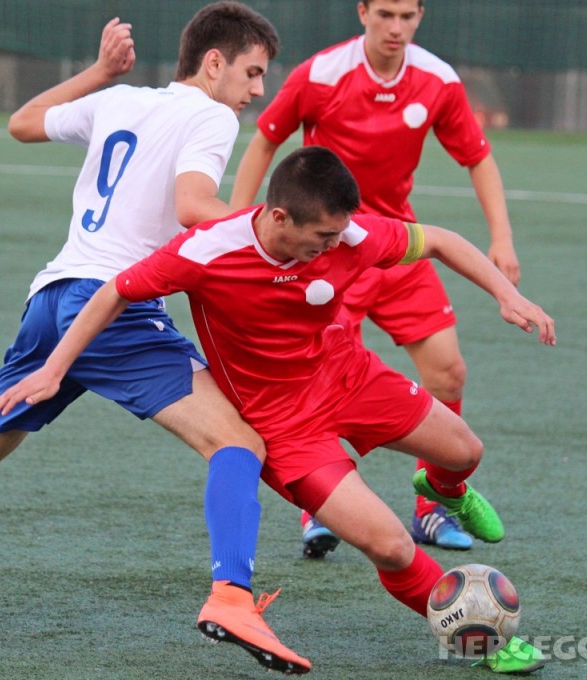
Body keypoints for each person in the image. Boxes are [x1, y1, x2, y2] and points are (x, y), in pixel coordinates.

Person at [0, 4, 311, 674]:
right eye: (252, 73)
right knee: (238, 443)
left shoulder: (119, 99)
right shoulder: (211, 116)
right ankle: (231, 598)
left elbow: (22, 123)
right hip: (115, 308)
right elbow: (195, 207)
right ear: (214, 62)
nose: (258, 89)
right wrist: (275, 236)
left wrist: (100, 71)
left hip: (52, 299)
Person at [0, 146, 552, 674]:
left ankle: (444, 490)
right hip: (285, 428)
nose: (335, 245)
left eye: (339, 233)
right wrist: (55, 368)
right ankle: (482, 638)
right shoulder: (207, 250)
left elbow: (441, 241)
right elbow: (114, 291)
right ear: (279, 217)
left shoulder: (349, 235)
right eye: (323, 236)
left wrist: (508, 295)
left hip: (350, 377)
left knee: (465, 451)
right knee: (389, 545)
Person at [231, 0, 518, 557]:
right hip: (329, 254)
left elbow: (478, 158)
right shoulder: (321, 74)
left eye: (407, 16)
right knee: (327, 384)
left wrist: (501, 237)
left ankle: (433, 507)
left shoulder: (437, 80)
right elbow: (265, 139)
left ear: (421, 16)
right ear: (362, 11)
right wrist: (237, 225)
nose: (396, 27)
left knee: (449, 372)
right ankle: (322, 506)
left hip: (397, 247)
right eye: (385, 13)